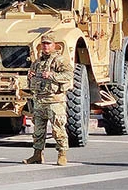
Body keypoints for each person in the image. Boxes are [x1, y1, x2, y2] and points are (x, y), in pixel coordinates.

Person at [23, 33, 74, 166]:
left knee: (58, 129)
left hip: (54, 101)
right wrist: (30, 76)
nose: (46, 46)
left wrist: (52, 75)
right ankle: (37, 155)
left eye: (48, 44)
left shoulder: (60, 60)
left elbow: (69, 74)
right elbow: (31, 79)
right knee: (38, 131)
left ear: (54, 45)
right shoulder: (37, 63)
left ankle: (62, 154)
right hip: (40, 101)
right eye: (44, 44)